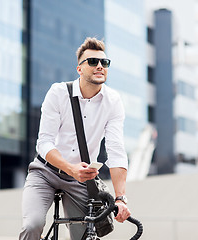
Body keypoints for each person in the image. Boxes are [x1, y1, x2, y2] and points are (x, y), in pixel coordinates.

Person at [19, 37, 131, 240]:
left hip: (81, 179)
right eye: (92, 62)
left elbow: (116, 151)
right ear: (79, 69)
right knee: (32, 225)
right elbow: (44, 142)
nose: (99, 66)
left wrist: (121, 198)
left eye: (104, 63)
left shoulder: (113, 101)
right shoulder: (58, 92)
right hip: (45, 171)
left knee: (85, 234)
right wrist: (70, 168)